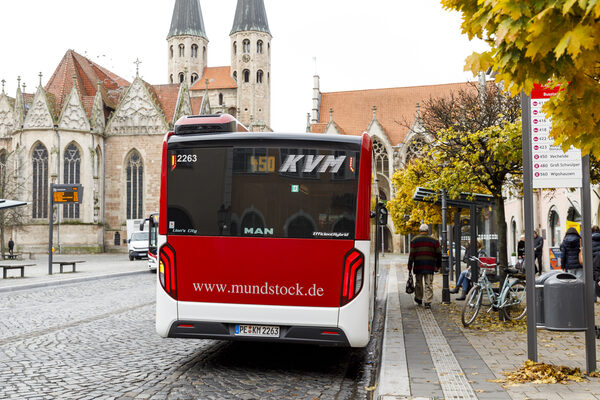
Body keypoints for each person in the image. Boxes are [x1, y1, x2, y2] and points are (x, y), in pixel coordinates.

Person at [407, 223, 441, 309]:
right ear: (427, 231)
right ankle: (428, 302)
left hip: (418, 265)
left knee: (419, 283)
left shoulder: (414, 240)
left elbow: (412, 254)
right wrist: (438, 265)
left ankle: (419, 298)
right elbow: (438, 254)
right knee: (428, 283)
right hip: (430, 265)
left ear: (420, 231)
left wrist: (410, 265)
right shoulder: (434, 241)